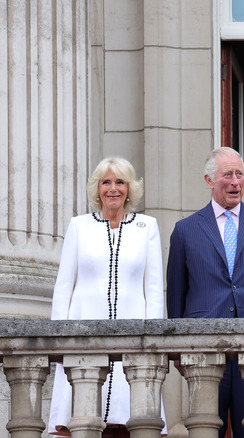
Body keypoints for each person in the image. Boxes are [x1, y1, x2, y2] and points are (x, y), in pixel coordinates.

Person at [167, 147, 244, 438]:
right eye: (227, 175)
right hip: (203, 350)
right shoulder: (185, 230)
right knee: (205, 430)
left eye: (240, 174)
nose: (235, 182)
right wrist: (178, 351)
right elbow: (176, 294)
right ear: (209, 180)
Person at [48, 157, 166, 437]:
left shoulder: (147, 227)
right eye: (106, 182)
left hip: (134, 337)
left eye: (120, 182)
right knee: (83, 421)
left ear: (130, 189)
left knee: (131, 421)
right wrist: (58, 340)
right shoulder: (79, 226)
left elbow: (153, 289)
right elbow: (64, 286)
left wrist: (155, 341)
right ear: (97, 189)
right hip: (82, 334)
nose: (113, 189)